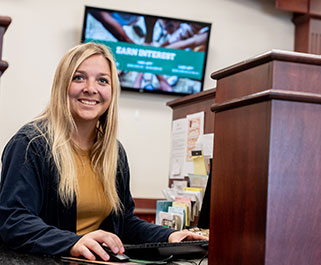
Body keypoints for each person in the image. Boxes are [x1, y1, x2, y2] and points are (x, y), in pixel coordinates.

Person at [0, 42, 207, 262]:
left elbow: (124, 223)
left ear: (111, 91)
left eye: (102, 80)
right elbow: (14, 220)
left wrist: (170, 235)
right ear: (62, 86)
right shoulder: (31, 144)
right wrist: (72, 242)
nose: (91, 88)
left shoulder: (114, 153)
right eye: (79, 77)